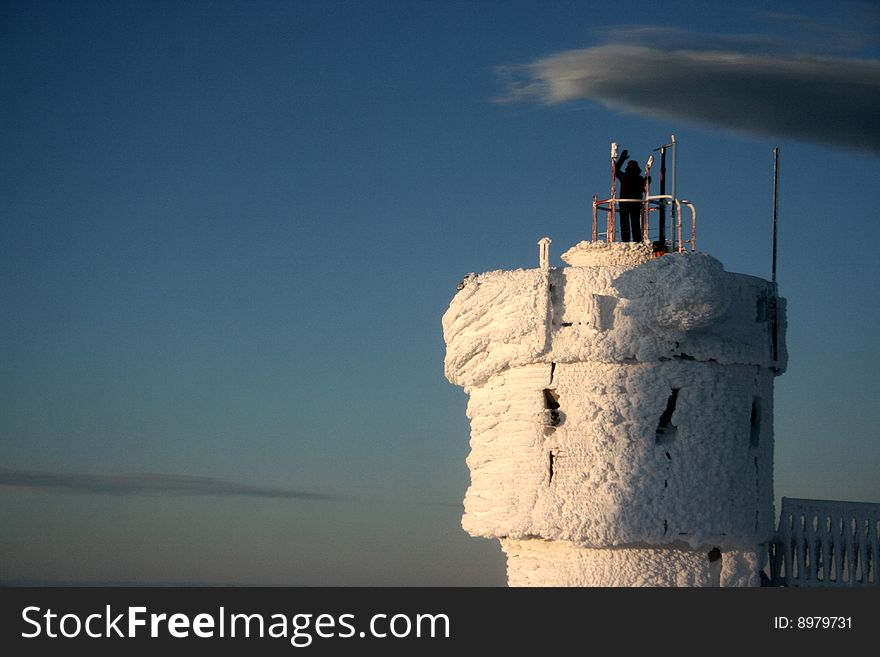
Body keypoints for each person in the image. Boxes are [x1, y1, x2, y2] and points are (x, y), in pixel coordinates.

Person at [614, 149, 649, 242]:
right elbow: (644, 188)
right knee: (635, 222)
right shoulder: (639, 178)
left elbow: (615, 170)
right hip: (636, 203)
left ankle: (625, 240)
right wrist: (648, 179)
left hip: (624, 202)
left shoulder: (624, 176)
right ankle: (637, 240)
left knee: (624, 222)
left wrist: (621, 159)